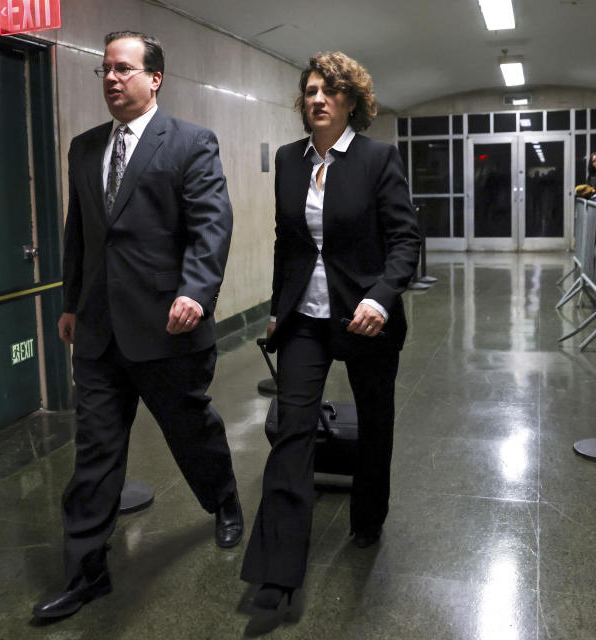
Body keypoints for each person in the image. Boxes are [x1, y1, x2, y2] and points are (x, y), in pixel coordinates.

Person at [32, 31, 242, 620]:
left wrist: (196, 292)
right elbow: (81, 235)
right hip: (99, 333)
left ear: (155, 79)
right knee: (95, 453)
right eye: (103, 70)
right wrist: (72, 303)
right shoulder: (83, 148)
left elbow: (211, 225)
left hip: (168, 328)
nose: (110, 79)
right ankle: (85, 573)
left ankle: (224, 500)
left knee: (190, 431)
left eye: (123, 69)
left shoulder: (191, 144)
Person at [240, 52, 420, 614]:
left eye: (330, 91)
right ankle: (276, 571)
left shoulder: (377, 159)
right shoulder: (291, 162)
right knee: (293, 431)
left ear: (352, 103)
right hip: (305, 321)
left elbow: (405, 242)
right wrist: (277, 308)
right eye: (311, 90)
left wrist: (381, 298)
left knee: (375, 423)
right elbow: (286, 242)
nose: (317, 99)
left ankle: (368, 517)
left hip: (365, 318)